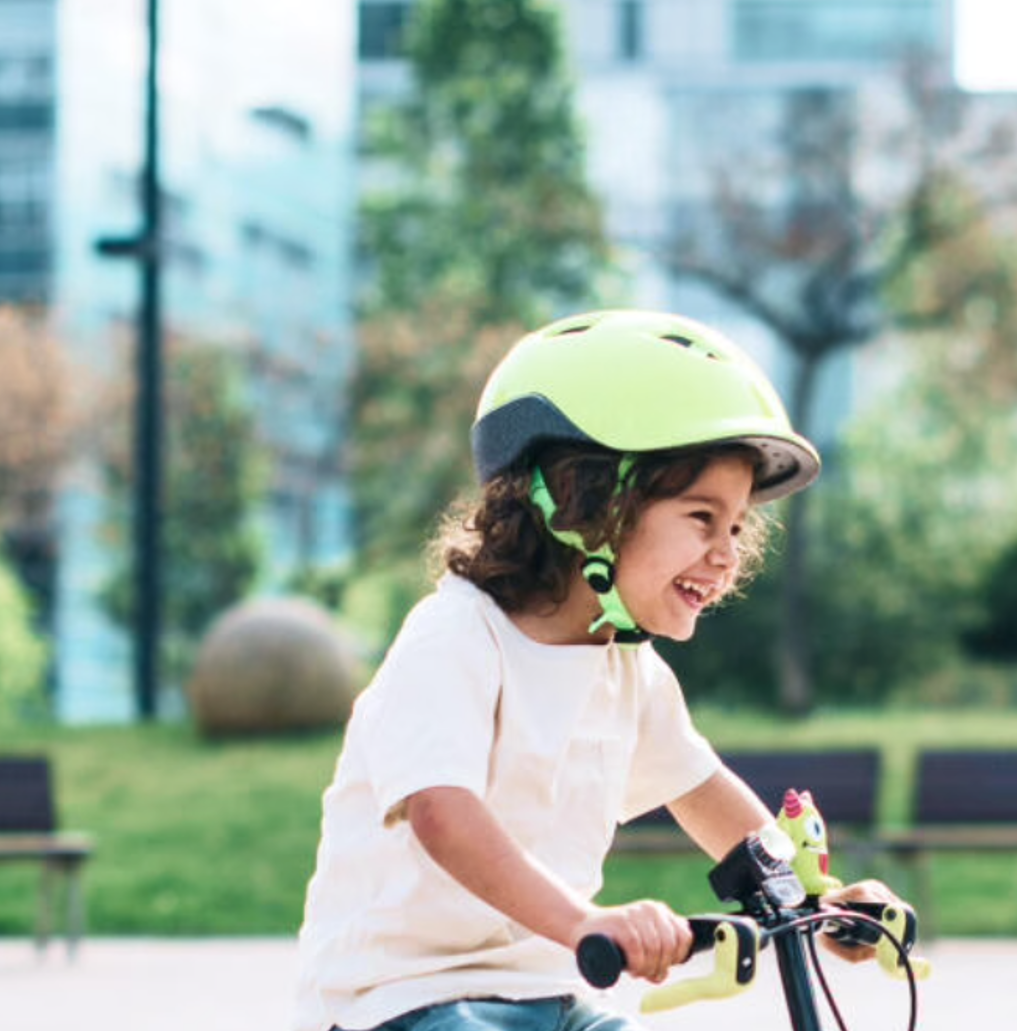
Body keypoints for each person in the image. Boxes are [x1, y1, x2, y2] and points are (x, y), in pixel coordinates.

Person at [293, 310, 908, 1031]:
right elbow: (442, 814)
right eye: (700, 516)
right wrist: (588, 919)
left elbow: (704, 794)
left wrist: (810, 901)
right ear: (587, 507)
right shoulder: (455, 637)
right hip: (398, 1000)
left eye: (736, 526)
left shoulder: (627, 672)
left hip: (547, 997)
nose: (726, 553)